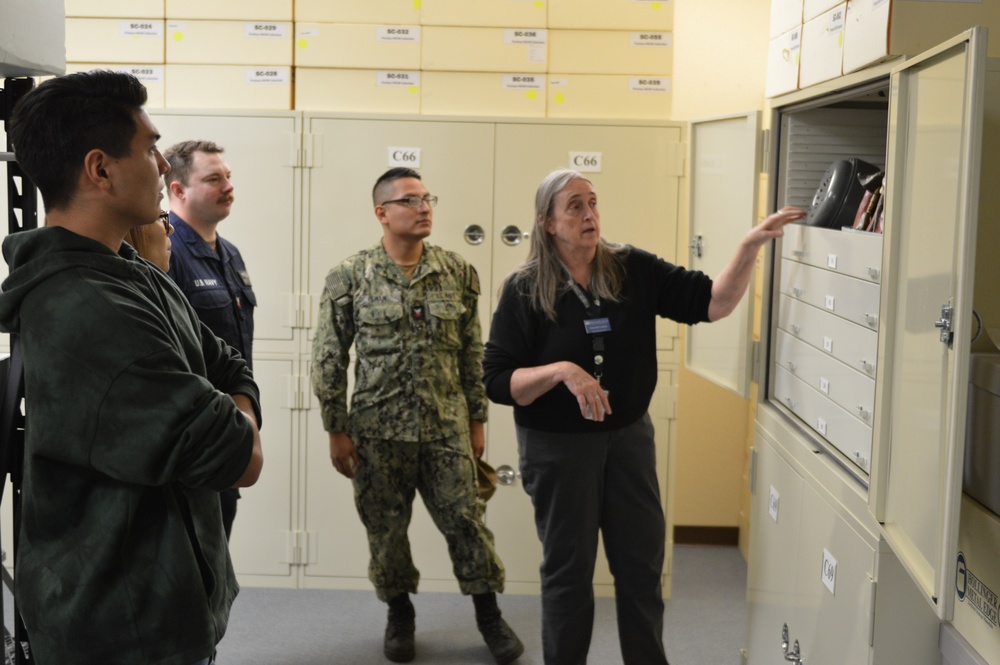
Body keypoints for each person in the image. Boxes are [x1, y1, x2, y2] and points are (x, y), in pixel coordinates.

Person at [482, 168, 806, 665]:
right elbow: (499, 381)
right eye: (574, 206)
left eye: (593, 202)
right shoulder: (526, 289)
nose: (589, 215)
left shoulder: (632, 267)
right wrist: (563, 371)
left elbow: (713, 303)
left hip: (628, 440)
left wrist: (749, 247)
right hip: (559, 448)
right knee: (568, 575)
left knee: (641, 569)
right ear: (547, 222)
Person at [0, 70, 263, 665]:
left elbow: (229, 363)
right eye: (149, 148)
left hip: (165, 605)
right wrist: (235, 413)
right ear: (100, 169)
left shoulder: (134, 274)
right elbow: (239, 459)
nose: (163, 167)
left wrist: (229, 402)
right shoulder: (89, 307)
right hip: (120, 627)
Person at [311, 167, 523, 665]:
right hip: (376, 433)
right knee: (385, 530)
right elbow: (328, 356)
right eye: (410, 200)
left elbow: (473, 352)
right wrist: (335, 430)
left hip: (446, 429)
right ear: (382, 213)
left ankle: (489, 616)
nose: (424, 207)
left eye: (428, 198)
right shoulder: (350, 275)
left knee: (468, 523)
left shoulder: (456, 271)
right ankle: (399, 614)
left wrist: (477, 420)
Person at [164, 140, 255, 540]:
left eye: (228, 177)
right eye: (213, 179)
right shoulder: (166, 251)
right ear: (178, 190)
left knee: (217, 562)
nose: (228, 187)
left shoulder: (230, 254)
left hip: (229, 429)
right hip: (193, 439)